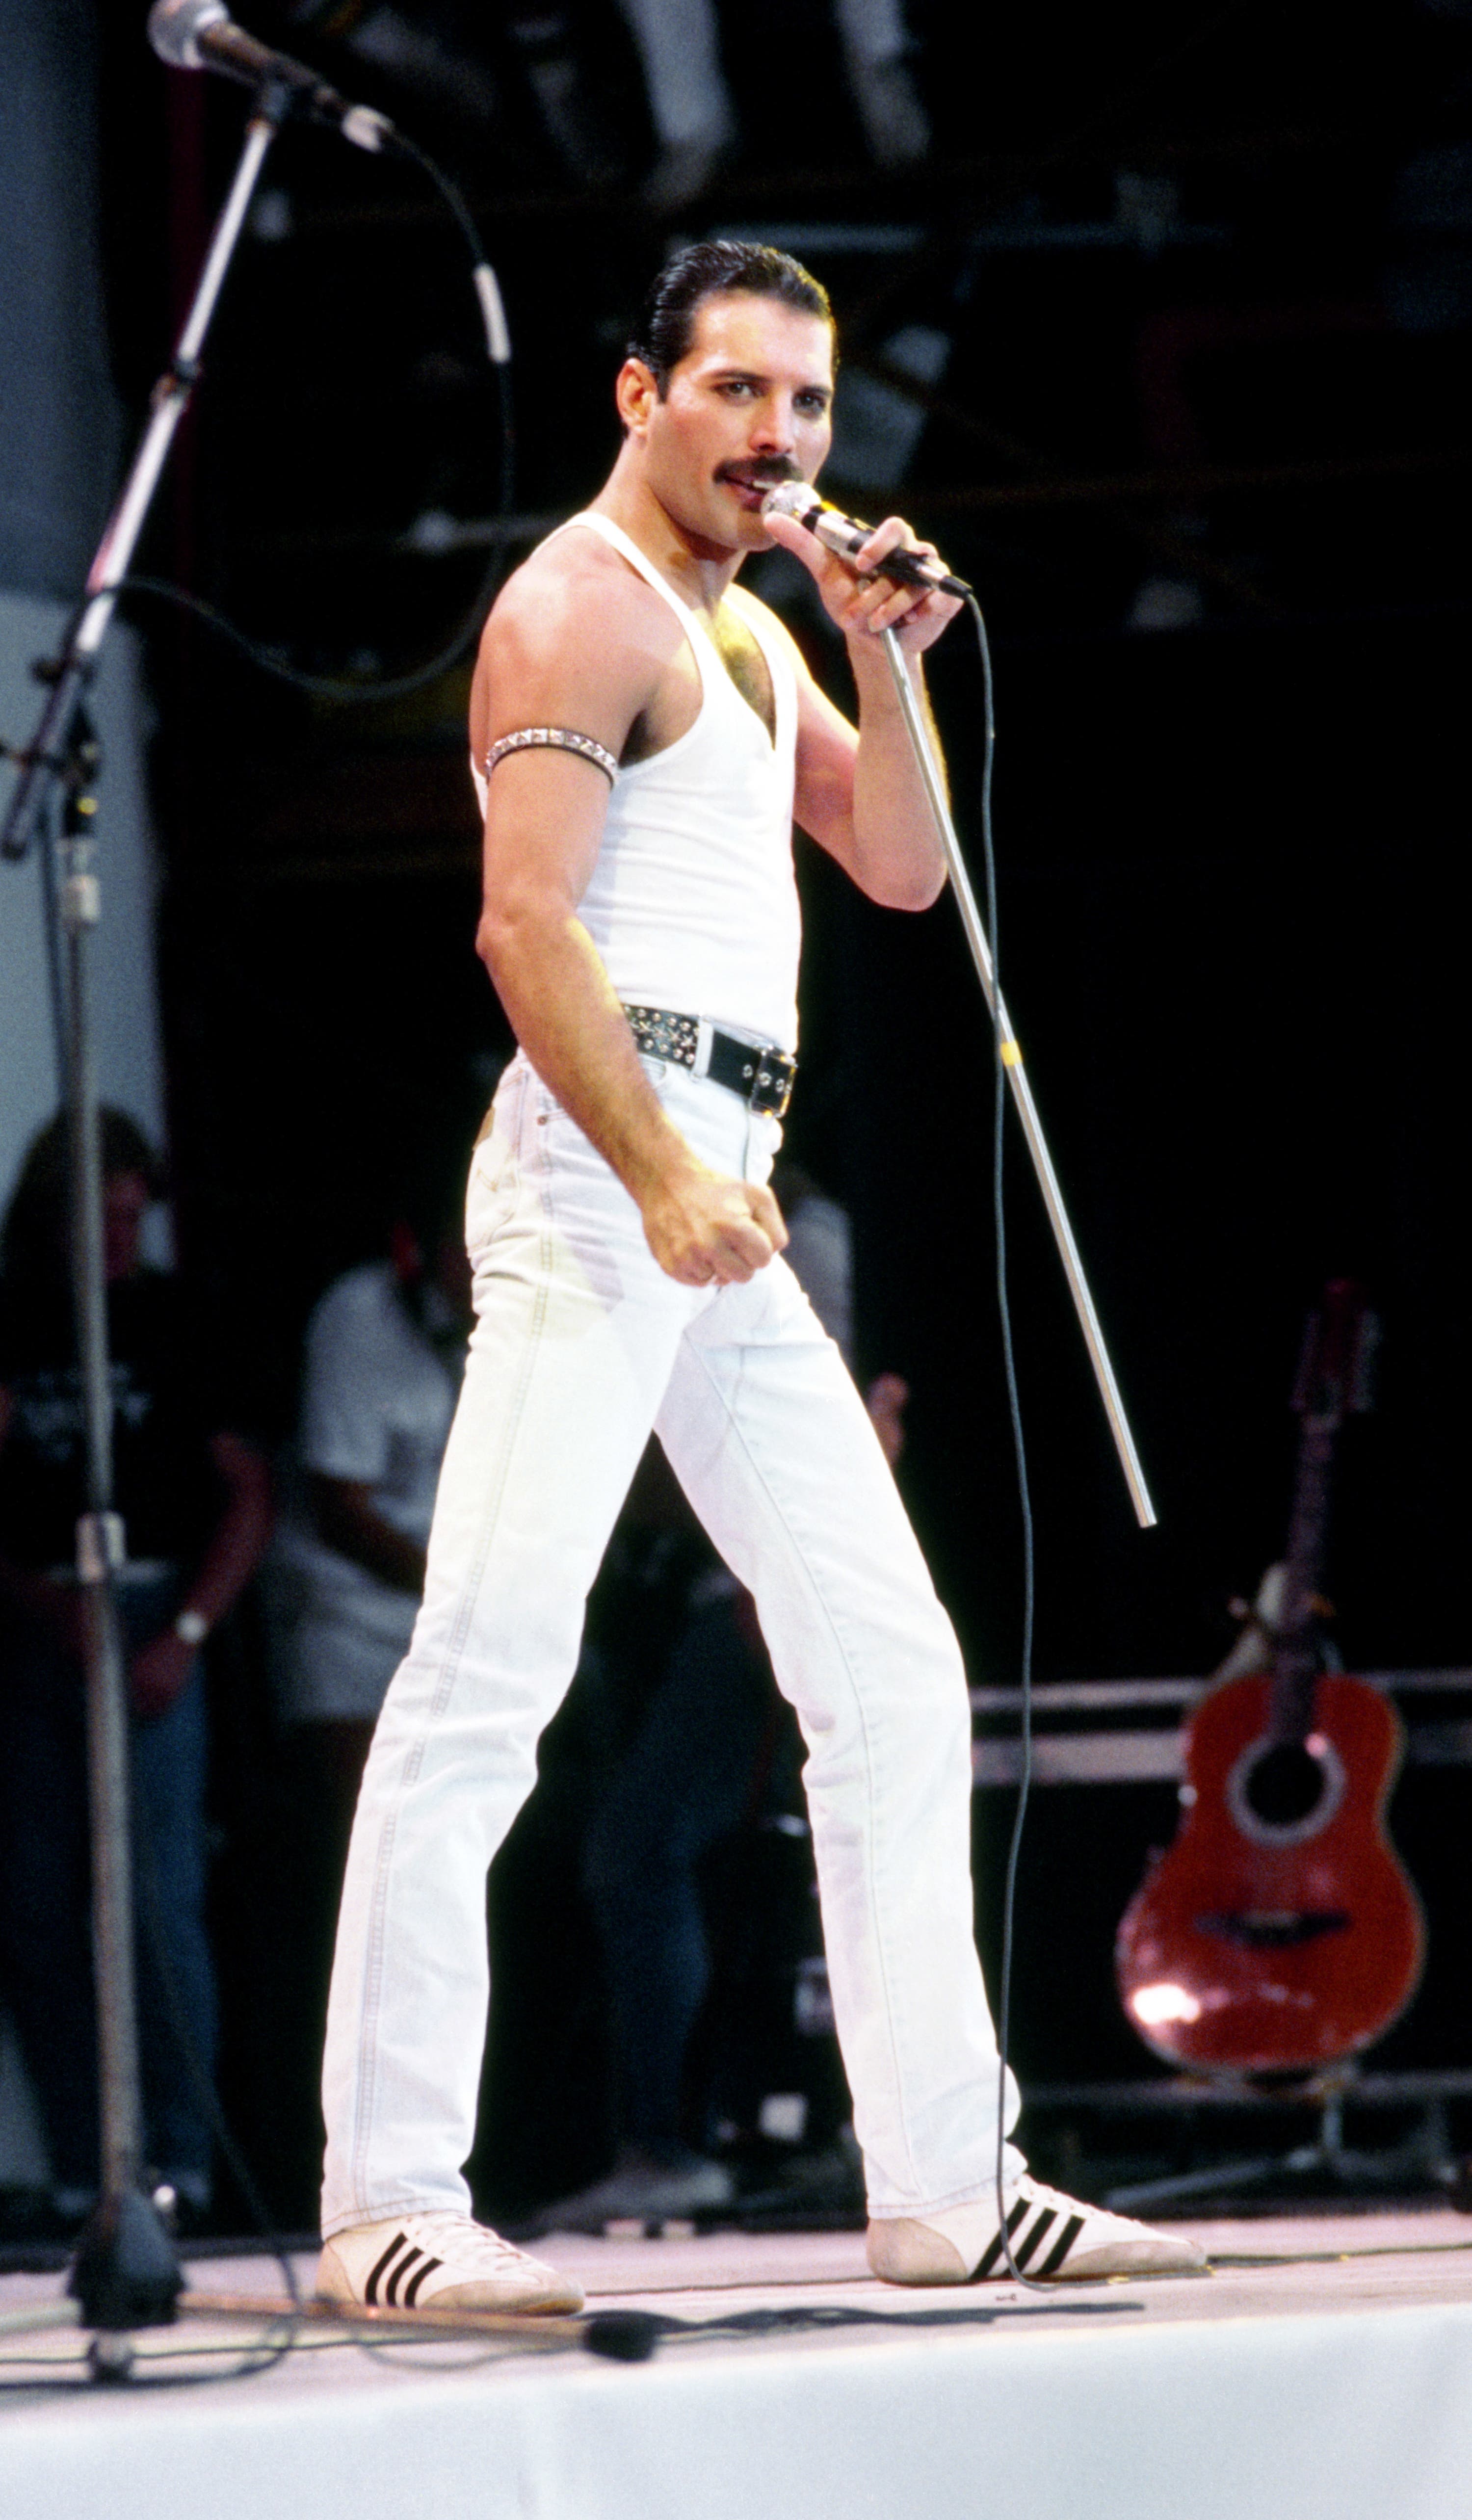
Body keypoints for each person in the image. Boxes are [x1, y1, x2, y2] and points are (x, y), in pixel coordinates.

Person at [315, 239, 1205, 2315]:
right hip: (606, 1174)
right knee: (490, 1662)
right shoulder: (575, 608)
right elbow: (526, 933)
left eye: (804, 405)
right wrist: (653, 1177)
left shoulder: (744, 630)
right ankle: (385, 2198)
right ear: (641, 395)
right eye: (736, 393)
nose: (777, 437)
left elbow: (898, 864)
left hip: (721, 1183)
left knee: (889, 1668)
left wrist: (875, 649)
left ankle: (943, 2184)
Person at [0, 1111, 270, 2224]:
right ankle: (81, 2172)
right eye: (99, 1216)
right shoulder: (15, 1316)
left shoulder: (173, 1318)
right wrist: (38, 1601)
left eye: (132, 1215)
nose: (120, 1237)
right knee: (37, 1903)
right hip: (36, 1613)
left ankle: (181, 2162)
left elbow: (248, 1493)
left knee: (159, 1902)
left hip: (161, 1604)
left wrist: (188, 1634)